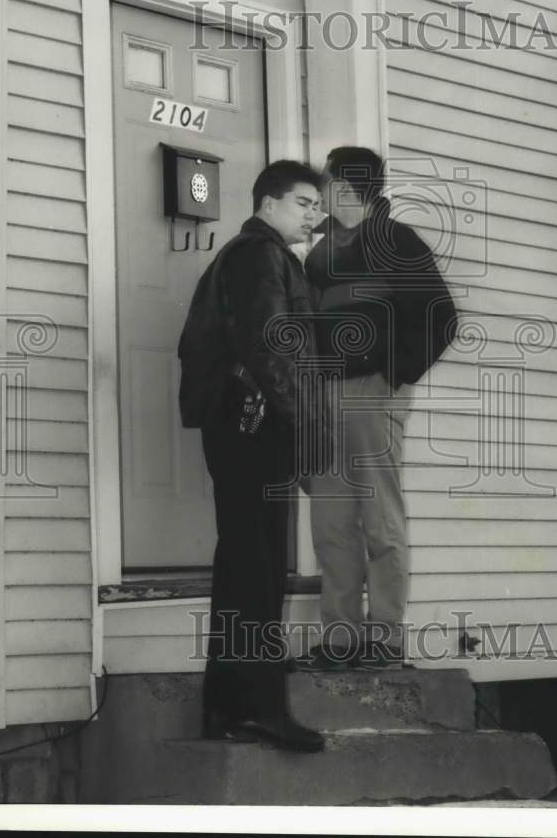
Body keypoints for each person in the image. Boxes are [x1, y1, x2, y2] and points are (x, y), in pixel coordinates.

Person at [179, 159, 326, 751]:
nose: (314, 215)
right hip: (254, 425)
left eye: (318, 205)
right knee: (257, 566)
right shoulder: (256, 254)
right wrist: (305, 431)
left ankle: (230, 706)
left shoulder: (257, 255)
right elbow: (271, 347)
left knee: (248, 563)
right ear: (267, 203)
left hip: (245, 424)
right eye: (303, 203)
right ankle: (258, 707)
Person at [295, 146, 458, 671]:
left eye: (327, 180)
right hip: (324, 395)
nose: (319, 189)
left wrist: (393, 373)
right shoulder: (319, 253)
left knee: (380, 520)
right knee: (330, 522)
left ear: (345, 185)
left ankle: (385, 640)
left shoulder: (396, 241)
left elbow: (441, 317)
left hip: (373, 391)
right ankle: (340, 640)